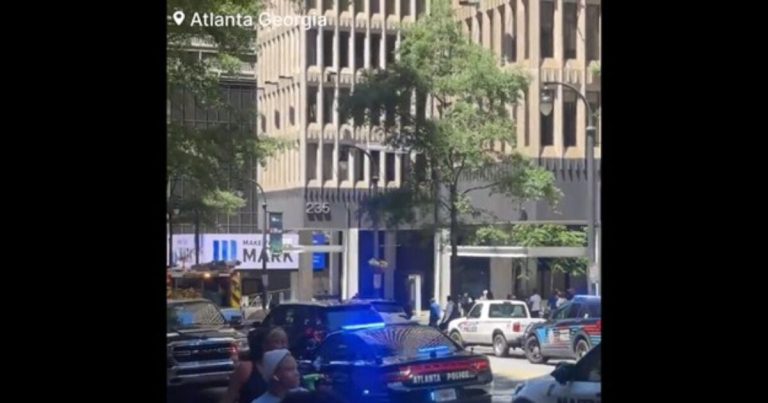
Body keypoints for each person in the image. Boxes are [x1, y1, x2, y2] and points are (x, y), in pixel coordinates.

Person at [221, 326, 289, 403]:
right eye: (277, 342)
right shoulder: (247, 368)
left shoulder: (289, 369)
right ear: (265, 345)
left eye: (285, 342)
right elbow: (229, 397)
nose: (283, 346)